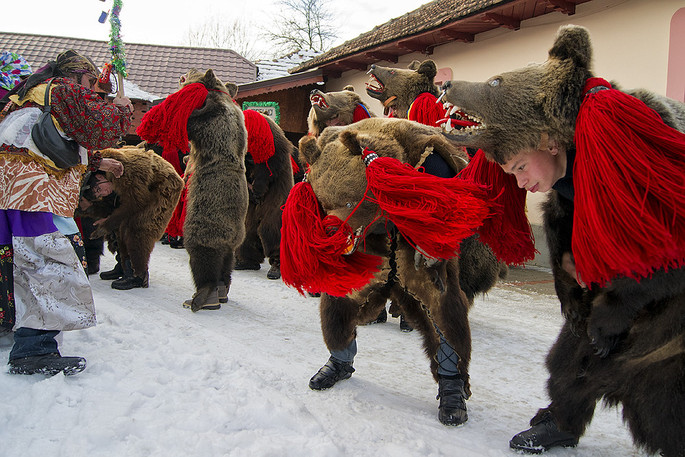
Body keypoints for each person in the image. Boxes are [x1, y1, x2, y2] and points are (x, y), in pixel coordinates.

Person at [0, 49, 133, 376]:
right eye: (90, 81)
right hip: (31, 194)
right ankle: (33, 351)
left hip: (11, 190)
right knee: (50, 267)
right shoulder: (64, 89)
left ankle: (24, 336)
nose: (92, 89)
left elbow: (58, 137)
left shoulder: (30, 94)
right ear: (75, 76)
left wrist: (98, 161)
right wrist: (120, 109)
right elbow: (100, 130)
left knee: (18, 265)